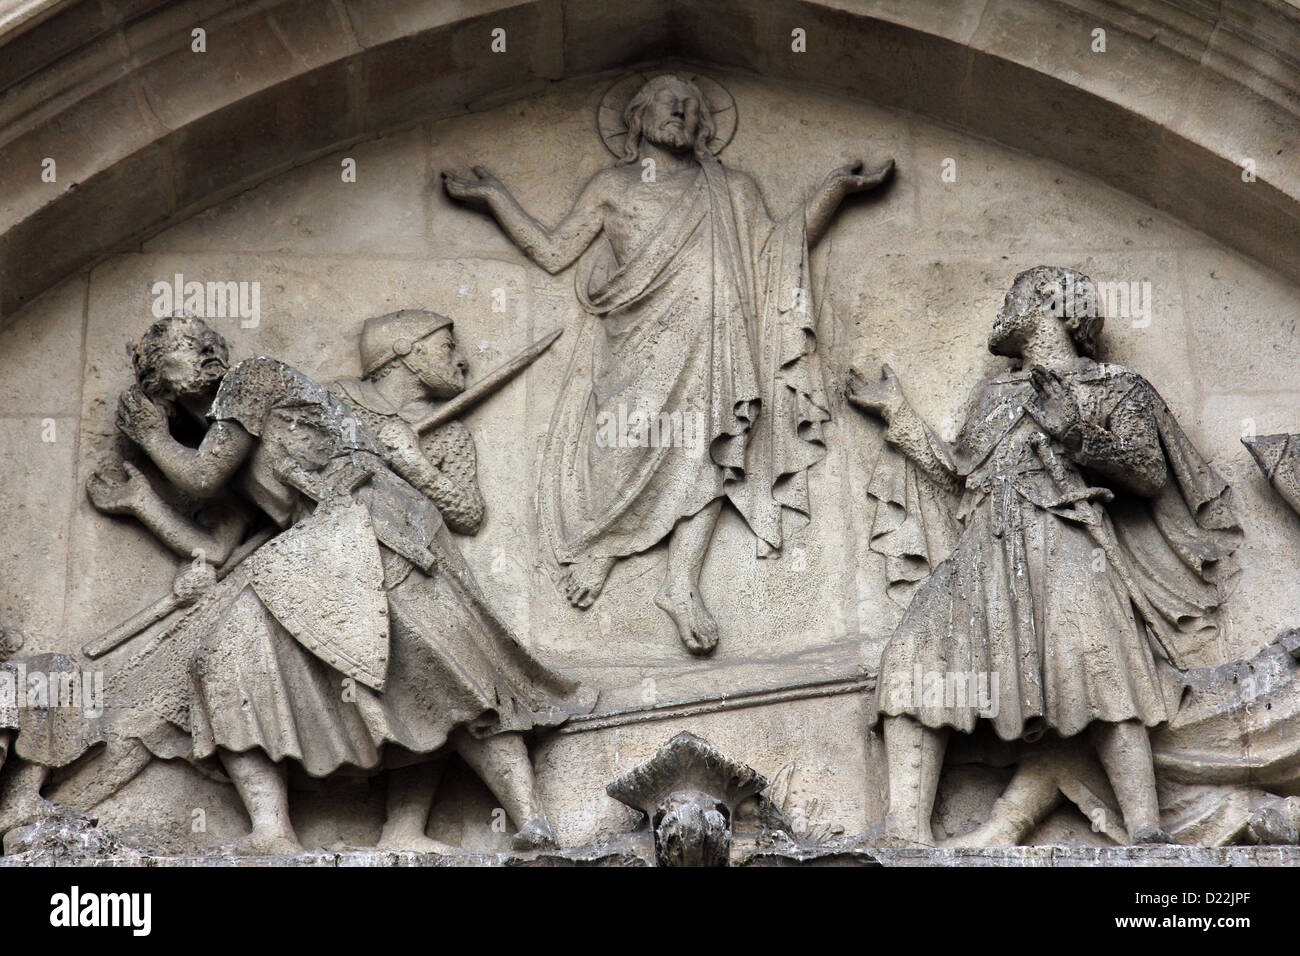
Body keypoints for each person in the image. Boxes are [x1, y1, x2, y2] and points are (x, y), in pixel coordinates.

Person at [103, 315, 593, 853]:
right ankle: (273, 831)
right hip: (318, 550)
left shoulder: (253, 379)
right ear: (156, 384)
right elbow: (217, 548)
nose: (203, 349)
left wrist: (151, 437)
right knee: (224, 660)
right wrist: (142, 503)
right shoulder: (223, 439)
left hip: (376, 524)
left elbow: (201, 475)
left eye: (205, 340)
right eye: (181, 346)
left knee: (447, 671)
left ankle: (533, 821)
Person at [445, 73, 893, 653]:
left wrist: (833, 190)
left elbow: (780, 247)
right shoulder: (612, 186)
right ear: (637, 118)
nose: (679, 108)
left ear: (705, 123)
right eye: (665, 100)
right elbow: (553, 251)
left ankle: (680, 585)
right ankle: (605, 542)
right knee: (622, 444)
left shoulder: (731, 188)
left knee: (711, 447)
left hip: (714, 342)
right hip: (636, 341)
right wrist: (495, 200)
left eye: (690, 104)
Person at [846, 266, 1239, 845]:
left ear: (1052, 300)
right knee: (914, 656)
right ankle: (906, 826)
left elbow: (1150, 474)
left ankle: (1147, 831)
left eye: (1016, 294)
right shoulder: (999, 395)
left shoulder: (1114, 386)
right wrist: (898, 415)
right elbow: (961, 473)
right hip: (985, 553)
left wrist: (1076, 429)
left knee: (1100, 667)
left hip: (1067, 546)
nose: (1004, 307)